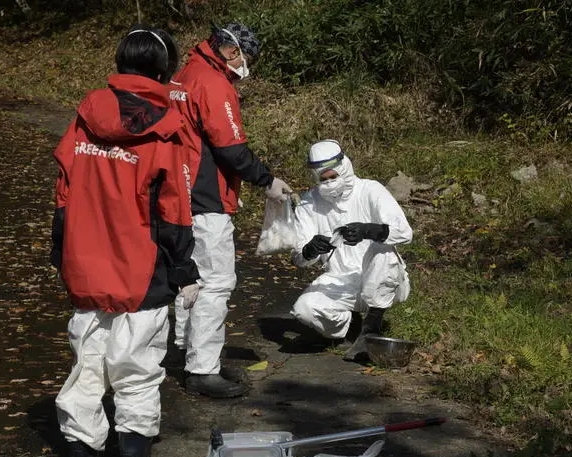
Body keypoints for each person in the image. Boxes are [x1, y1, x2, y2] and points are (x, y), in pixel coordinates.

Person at [50, 26, 200, 457]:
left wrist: (62, 254)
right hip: (141, 269)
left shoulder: (84, 118)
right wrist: (184, 268)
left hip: (85, 263)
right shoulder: (166, 128)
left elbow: (63, 193)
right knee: (136, 367)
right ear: (164, 70)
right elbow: (174, 211)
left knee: (87, 364)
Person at [169, 22, 292, 398]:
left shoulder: (184, 74)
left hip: (176, 191)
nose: (245, 66)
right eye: (245, 57)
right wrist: (267, 181)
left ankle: (183, 349)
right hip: (205, 195)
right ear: (232, 51)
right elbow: (231, 147)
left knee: (189, 276)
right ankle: (203, 369)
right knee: (216, 281)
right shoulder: (213, 82)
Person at [290, 140, 413, 360]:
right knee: (305, 309)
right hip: (340, 279)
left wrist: (369, 230)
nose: (329, 183)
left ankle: (372, 328)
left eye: (333, 177)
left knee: (383, 251)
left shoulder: (370, 190)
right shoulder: (309, 202)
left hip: (383, 280)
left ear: (343, 168)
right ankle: (351, 328)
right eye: (323, 179)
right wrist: (310, 249)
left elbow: (404, 233)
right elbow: (299, 258)